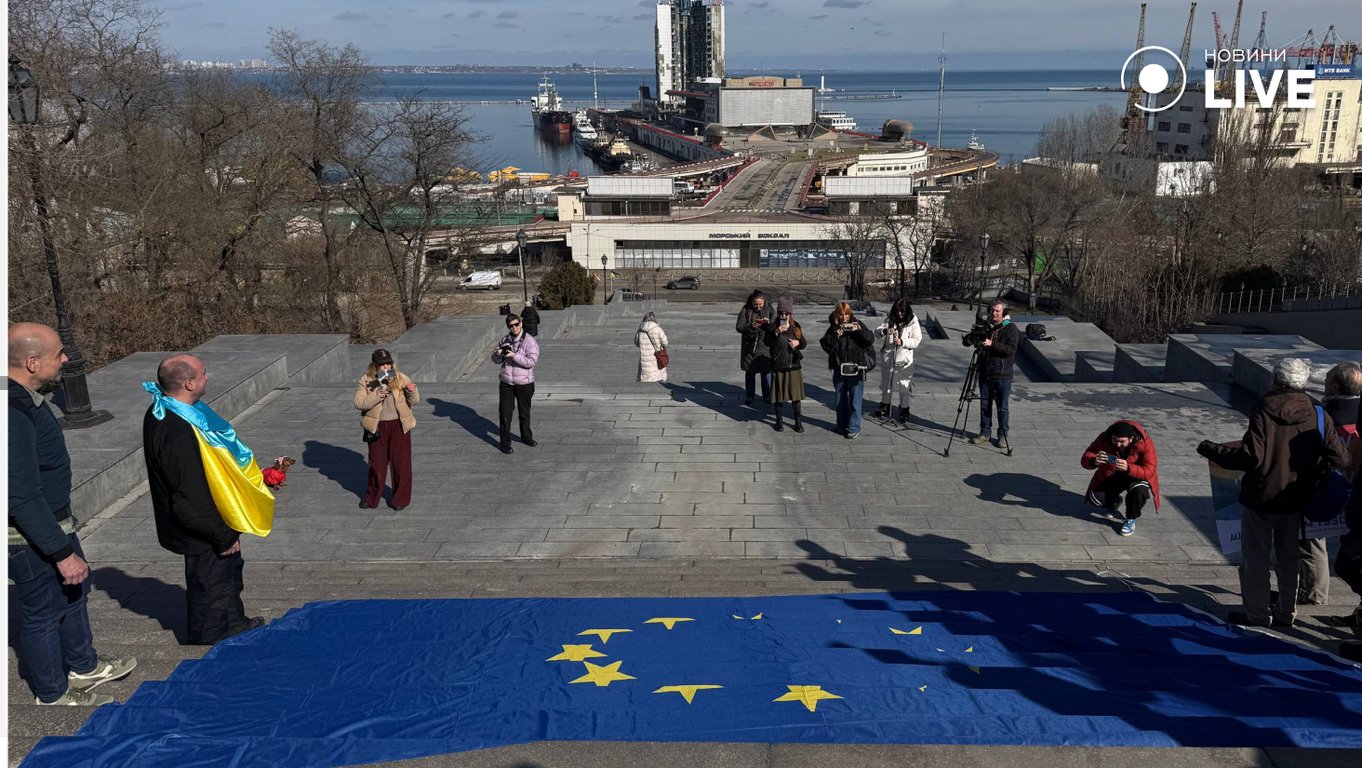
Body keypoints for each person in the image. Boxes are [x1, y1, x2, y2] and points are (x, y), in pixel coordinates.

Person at [9, 323, 136, 706]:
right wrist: (61, 554)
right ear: (32, 362)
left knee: (74, 592)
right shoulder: (11, 413)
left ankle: (83, 666)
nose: (66, 359)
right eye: (59, 353)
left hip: (55, 525)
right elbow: (20, 494)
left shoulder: (24, 399)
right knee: (43, 612)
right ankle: (52, 692)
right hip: (31, 538)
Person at [1198, 358, 1350, 628]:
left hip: (1261, 496)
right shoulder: (1317, 413)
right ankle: (1285, 614)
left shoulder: (1264, 408)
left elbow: (1250, 457)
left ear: (1276, 380)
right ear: (1302, 382)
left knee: (1255, 558)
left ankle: (1257, 614)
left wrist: (1210, 448)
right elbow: (1341, 458)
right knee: (1289, 559)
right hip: (1296, 497)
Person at [143, 353, 266, 645]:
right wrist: (222, 536)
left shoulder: (173, 410)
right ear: (188, 383)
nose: (207, 378)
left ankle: (233, 622)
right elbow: (188, 495)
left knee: (227, 578)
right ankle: (211, 635)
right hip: (203, 526)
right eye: (203, 374)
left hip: (213, 517)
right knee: (211, 582)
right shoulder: (175, 428)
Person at [1300, 362, 1362, 606]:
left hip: (1328, 488)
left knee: (1313, 539)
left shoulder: (1324, 414)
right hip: (1354, 489)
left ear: (1335, 385)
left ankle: (1314, 594)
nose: (1323, 385)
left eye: (1326, 381)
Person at [354, 349, 420, 510]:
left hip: (399, 425)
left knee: (401, 464)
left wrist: (412, 391)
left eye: (387, 363)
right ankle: (371, 497)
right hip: (377, 427)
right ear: (374, 365)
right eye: (381, 364)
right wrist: (377, 395)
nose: (385, 367)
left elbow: (415, 401)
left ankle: (400, 499)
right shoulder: (367, 380)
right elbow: (359, 403)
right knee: (377, 465)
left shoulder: (399, 377)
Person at [1081, 420, 1160, 537]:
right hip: (1113, 474)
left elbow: (1150, 471)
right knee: (1095, 498)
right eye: (1115, 440)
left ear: (1131, 438)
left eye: (1122, 442)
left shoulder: (1145, 443)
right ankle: (1115, 501)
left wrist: (1129, 468)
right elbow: (1086, 457)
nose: (1118, 444)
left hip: (1135, 476)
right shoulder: (1105, 438)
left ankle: (1131, 519)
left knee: (1139, 491)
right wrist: (1094, 461)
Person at [967, 300, 1021, 449]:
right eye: (992, 311)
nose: (994, 313)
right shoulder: (987, 327)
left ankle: (1003, 435)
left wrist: (992, 344)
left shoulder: (1011, 329)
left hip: (1002, 374)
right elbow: (970, 340)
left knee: (1002, 407)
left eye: (997, 311)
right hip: (985, 372)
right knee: (985, 404)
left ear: (1004, 313)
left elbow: (1010, 350)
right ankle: (985, 432)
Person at [820, 301, 876, 439]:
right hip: (840, 368)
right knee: (840, 399)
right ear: (837, 314)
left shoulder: (857, 323)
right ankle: (842, 425)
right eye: (841, 315)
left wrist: (858, 330)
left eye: (846, 315)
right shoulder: (833, 327)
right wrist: (836, 336)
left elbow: (870, 339)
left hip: (856, 368)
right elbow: (825, 345)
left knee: (855, 400)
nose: (844, 318)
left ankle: (853, 427)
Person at [493, 313, 540, 454]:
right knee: (505, 413)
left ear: (521, 323)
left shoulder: (530, 341)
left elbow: (531, 362)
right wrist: (497, 354)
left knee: (524, 412)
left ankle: (526, 437)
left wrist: (514, 355)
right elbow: (495, 361)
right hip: (507, 382)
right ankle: (505, 443)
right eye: (510, 326)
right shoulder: (505, 340)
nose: (514, 328)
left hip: (524, 383)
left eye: (516, 324)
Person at [872, 298, 923, 425]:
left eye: (902, 312)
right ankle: (885, 405)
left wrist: (903, 341)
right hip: (889, 357)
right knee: (887, 384)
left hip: (904, 358)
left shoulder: (913, 321)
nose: (899, 314)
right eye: (898, 311)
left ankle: (904, 409)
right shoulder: (890, 319)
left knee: (904, 385)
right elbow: (876, 332)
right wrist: (885, 331)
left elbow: (917, 339)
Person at [765, 297, 808, 433]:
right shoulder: (772, 326)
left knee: (796, 396)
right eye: (781, 313)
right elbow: (767, 342)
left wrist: (798, 343)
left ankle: (798, 423)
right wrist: (777, 331)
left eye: (786, 313)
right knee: (778, 396)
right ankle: (779, 422)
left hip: (793, 365)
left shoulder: (796, 326)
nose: (783, 315)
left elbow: (804, 343)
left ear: (791, 314)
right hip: (779, 365)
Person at [736, 290, 776, 405]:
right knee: (750, 372)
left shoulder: (770, 309)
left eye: (760, 304)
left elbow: (776, 324)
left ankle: (767, 395)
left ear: (764, 301)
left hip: (765, 346)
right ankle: (749, 395)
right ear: (752, 301)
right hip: (750, 347)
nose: (758, 307)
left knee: (767, 372)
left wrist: (769, 323)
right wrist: (751, 326)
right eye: (756, 304)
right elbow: (739, 326)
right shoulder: (746, 309)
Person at [634, 312, 669, 383]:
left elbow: (636, 342)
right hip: (657, 355)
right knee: (657, 371)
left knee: (646, 371)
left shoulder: (640, 329)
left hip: (644, 356)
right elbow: (665, 342)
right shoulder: (658, 329)